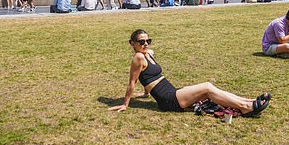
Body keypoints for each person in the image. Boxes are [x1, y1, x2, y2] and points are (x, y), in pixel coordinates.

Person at [108, 29, 271, 115]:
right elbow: (133, 81)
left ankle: (248, 102)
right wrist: (125, 104)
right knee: (207, 87)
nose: (145, 44)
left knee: (209, 90)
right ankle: (245, 106)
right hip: (168, 100)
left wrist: (145, 94)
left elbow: (147, 77)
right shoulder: (138, 58)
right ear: (132, 43)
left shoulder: (148, 54)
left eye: (147, 41)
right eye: (141, 42)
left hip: (173, 92)